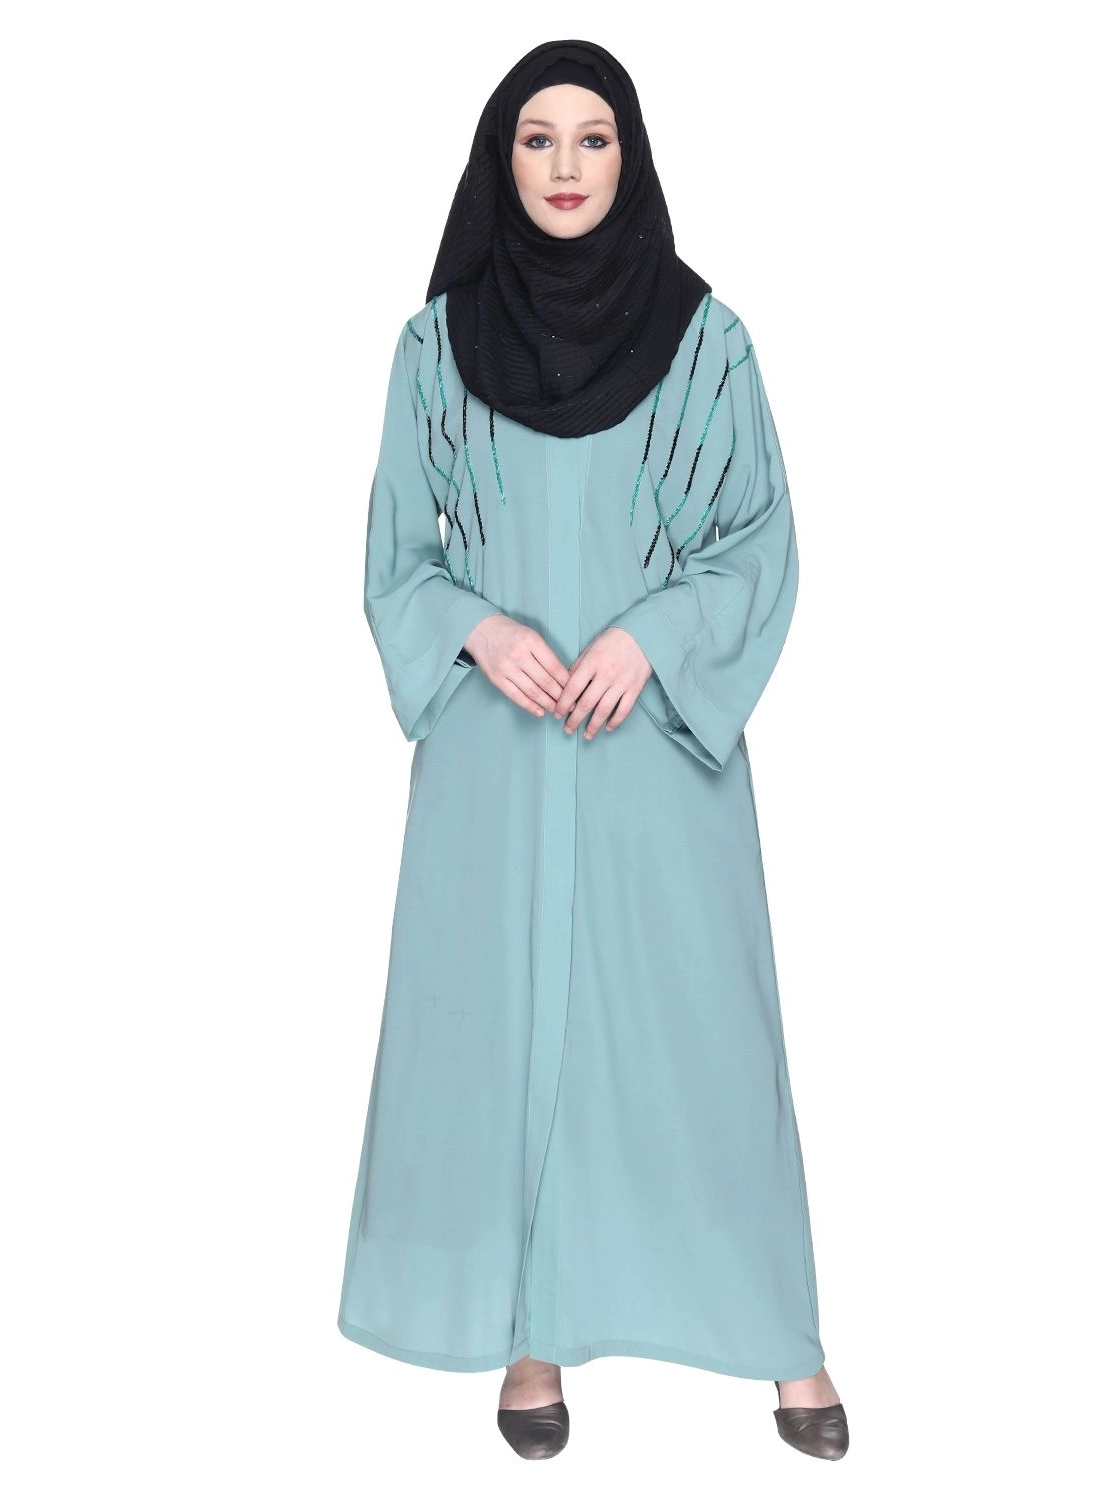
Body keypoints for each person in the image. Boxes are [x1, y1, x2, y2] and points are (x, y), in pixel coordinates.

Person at [336, 37, 848, 1463]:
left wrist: (655, 637)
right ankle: (531, 1338)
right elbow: (394, 558)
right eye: (537, 138)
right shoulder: (436, 347)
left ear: (633, 156)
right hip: (495, 761)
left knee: (706, 1045)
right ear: (499, 160)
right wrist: (472, 627)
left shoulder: (707, 341)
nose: (565, 166)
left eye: (594, 137)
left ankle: (783, 1342)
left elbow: (760, 542)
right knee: (499, 1042)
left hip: (656, 753)